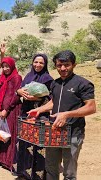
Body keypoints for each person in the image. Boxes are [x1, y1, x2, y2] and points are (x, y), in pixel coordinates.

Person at [28, 50, 96, 180]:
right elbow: (54, 101)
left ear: (74, 65)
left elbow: (91, 107)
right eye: (59, 65)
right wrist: (40, 110)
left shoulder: (83, 84)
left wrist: (67, 114)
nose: (63, 68)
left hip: (73, 133)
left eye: (67, 65)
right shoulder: (56, 83)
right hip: (54, 131)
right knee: (51, 169)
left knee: (69, 173)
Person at [15, 54, 54, 179]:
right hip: (26, 113)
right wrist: (19, 91)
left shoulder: (48, 79)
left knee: (38, 145)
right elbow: (20, 89)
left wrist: (38, 97)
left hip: (40, 116)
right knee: (24, 142)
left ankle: (37, 175)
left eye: (41, 63)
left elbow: (52, 99)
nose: (38, 65)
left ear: (45, 64)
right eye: (36, 62)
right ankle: (24, 171)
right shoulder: (28, 76)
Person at [0, 57, 22, 173]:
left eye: (7, 66)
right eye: (3, 66)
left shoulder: (17, 78)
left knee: (9, 134)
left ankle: (8, 161)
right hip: (0, 110)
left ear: (12, 66)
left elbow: (16, 95)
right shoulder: (2, 78)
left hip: (12, 110)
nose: (5, 68)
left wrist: (7, 109)